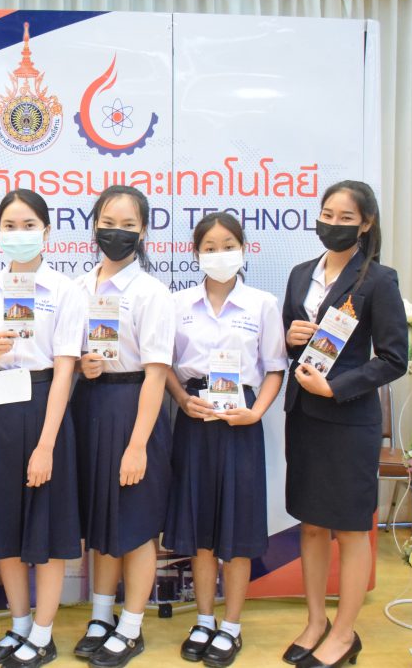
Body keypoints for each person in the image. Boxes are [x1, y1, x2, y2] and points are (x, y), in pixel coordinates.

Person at [280, 181, 407, 667]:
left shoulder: (379, 280)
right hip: (304, 418)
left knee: (351, 530)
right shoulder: (300, 275)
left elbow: (394, 359)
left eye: (345, 217)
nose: (332, 224)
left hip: (349, 420)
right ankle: (316, 622)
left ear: (366, 224)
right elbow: (290, 345)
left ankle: (345, 633)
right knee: (311, 525)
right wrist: (291, 337)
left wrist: (335, 388)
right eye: (327, 214)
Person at [0, 190, 85, 668]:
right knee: (5, 529)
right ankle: (18, 624)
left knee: (46, 529)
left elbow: (65, 370)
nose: (19, 234)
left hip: (43, 407)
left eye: (29, 225)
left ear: (47, 232)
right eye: (10, 226)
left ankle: (42, 633)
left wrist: (46, 445)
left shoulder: (64, 291)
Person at [163, 213, 287, 667]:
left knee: (236, 529)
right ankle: (203, 620)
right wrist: (181, 399)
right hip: (196, 419)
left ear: (243, 248)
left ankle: (231, 625)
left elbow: (275, 368)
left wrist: (256, 412)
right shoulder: (178, 304)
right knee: (200, 532)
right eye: (210, 248)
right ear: (196, 253)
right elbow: (166, 365)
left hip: (240, 422)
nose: (219, 254)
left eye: (228, 245)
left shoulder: (262, 304)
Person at [71, 185, 175, 668]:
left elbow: (156, 374)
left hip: (135, 408)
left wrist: (138, 446)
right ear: (94, 226)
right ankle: (100, 615)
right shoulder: (78, 287)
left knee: (134, 525)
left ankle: (131, 626)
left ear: (143, 231)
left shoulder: (152, 293)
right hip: (90, 405)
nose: (117, 232)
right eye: (108, 223)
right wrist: (85, 365)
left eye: (128, 225)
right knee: (101, 519)